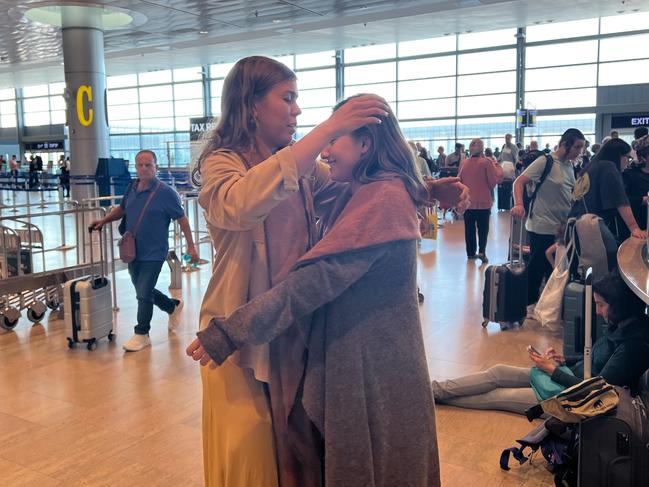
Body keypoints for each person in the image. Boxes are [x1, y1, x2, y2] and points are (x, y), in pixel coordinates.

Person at [186, 55, 469, 487]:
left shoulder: (295, 164)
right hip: (238, 331)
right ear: (253, 104)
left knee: (291, 453)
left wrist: (420, 188)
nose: (298, 110)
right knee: (251, 454)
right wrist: (330, 129)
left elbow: (360, 191)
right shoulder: (224, 164)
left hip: (287, 325)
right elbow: (241, 203)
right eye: (289, 98)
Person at [433, 271, 649, 415]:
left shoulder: (633, 346)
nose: (597, 311)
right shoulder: (620, 326)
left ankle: (431, 398)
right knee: (497, 372)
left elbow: (594, 390)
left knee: (496, 396)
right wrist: (566, 359)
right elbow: (595, 359)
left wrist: (554, 370)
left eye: (601, 305)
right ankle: (434, 390)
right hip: (567, 377)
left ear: (620, 306)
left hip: (571, 400)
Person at [90, 149, 199, 351]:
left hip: (155, 252)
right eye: (140, 165)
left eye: (148, 165)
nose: (144, 168)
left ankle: (142, 333)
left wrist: (191, 246)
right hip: (133, 251)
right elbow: (122, 209)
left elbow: (182, 220)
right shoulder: (132, 187)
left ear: (156, 167)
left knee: (143, 292)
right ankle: (171, 306)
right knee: (143, 290)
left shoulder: (166, 193)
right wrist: (104, 220)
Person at [512, 129, 585, 312]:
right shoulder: (545, 161)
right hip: (541, 224)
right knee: (538, 266)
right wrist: (519, 204)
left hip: (561, 227)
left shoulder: (570, 166)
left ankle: (547, 307)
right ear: (564, 144)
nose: (579, 151)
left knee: (554, 269)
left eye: (581, 148)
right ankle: (527, 305)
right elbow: (518, 182)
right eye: (577, 147)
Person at [569, 137, 646, 241]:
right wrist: (634, 228)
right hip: (590, 229)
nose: (628, 162)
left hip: (575, 226)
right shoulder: (608, 167)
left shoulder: (592, 167)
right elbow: (620, 200)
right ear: (619, 156)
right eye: (628, 157)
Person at [459, 138, 503, 263]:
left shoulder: (464, 163)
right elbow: (492, 182)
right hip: (483, 202)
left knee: (469, 228)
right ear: (482, 148)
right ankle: (482, 251)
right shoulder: (486, 162)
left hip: (468, 202)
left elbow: (459, 180)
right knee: (483, 228)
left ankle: (470, 253)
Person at [623, 134, 649, 235]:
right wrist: (643, 200)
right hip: (639, 228)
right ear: (643, 157)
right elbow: (623, 201)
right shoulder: (629, 175)